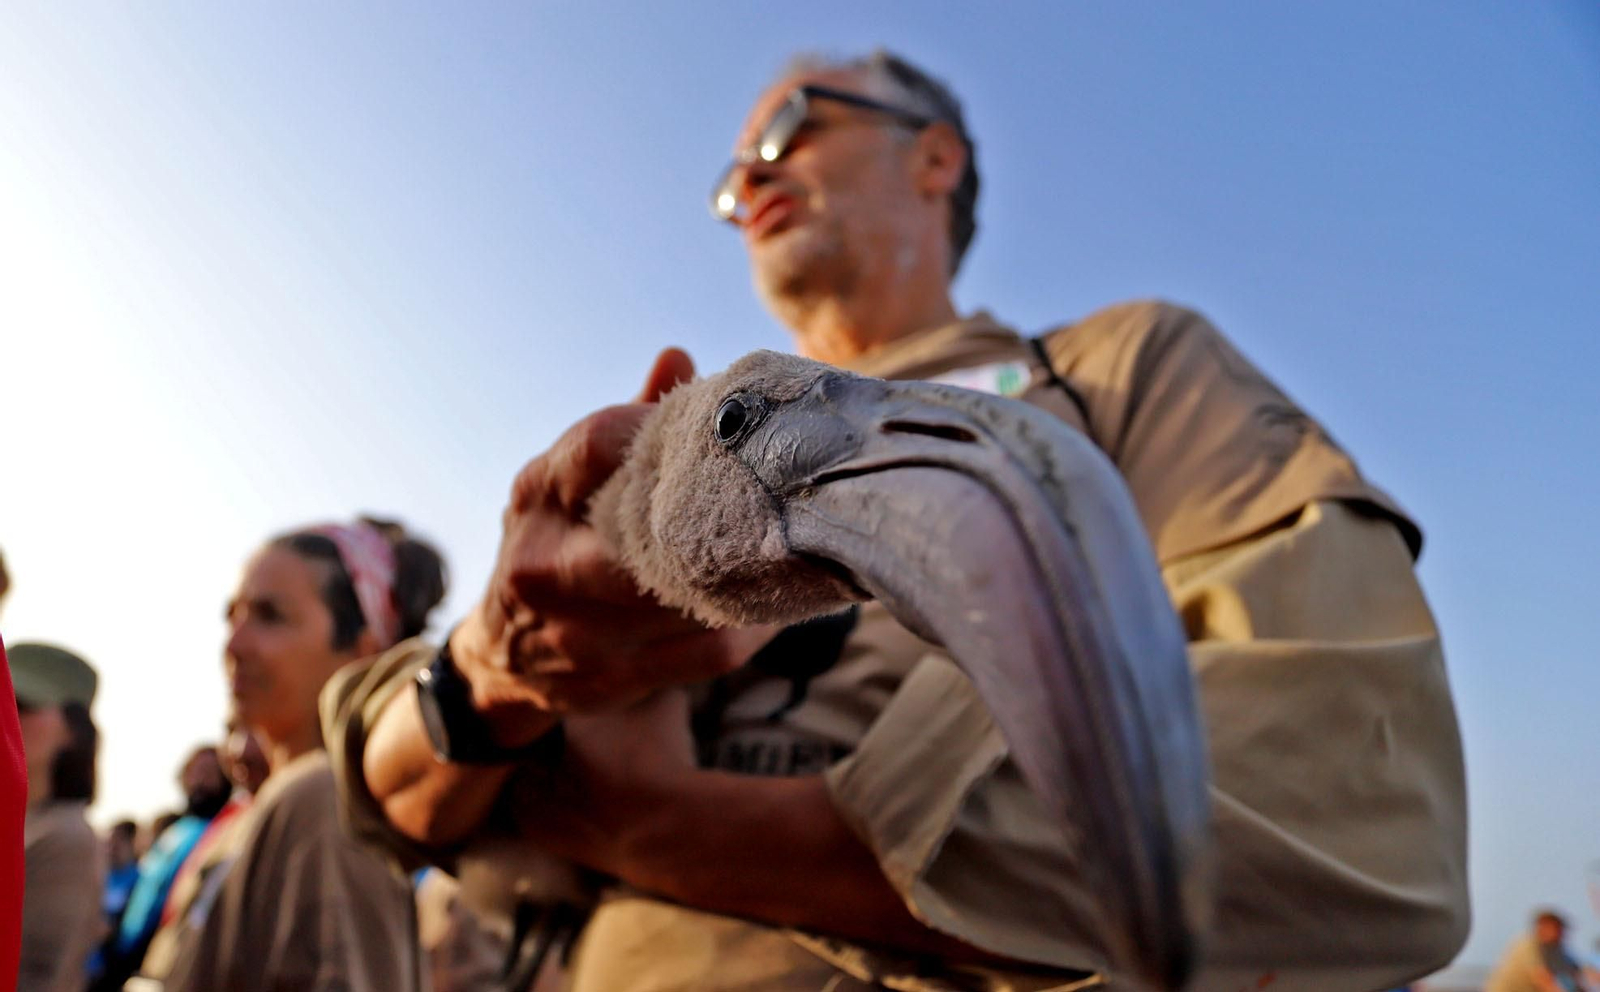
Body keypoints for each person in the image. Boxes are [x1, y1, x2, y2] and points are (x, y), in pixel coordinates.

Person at [328, 50, 1469, 990]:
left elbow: (1361, 815)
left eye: (789, 125)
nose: (754, 171)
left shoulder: (1113, 373)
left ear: (935, 157)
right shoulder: (665, 447)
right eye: (733, 176)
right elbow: (390, 802)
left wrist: (656, 825)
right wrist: (490, 671)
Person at [160, 516, 446, 992]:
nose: (234, 644)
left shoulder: (326, 803)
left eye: (270, 616)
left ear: (362, 649)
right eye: (233, 616)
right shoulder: (262, 807)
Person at [95, 744, 231, 988]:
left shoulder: (223, 832)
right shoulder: (177, 832)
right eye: (196, 771)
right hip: (127, 954)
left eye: (211, 772)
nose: (201, 780)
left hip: (165, 958)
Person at [12, 641, 105, 992]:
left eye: (22, 705)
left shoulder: (66, 839)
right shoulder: (27, 823)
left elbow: (34, 977)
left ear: (71, 731)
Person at [1487, 910, 1597, 992]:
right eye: (1558, 930)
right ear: (1543, 927)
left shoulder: (1555, 949)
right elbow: (1543, 980)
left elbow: (1576, 970)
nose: (1562, 935)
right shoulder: (1528, 946)